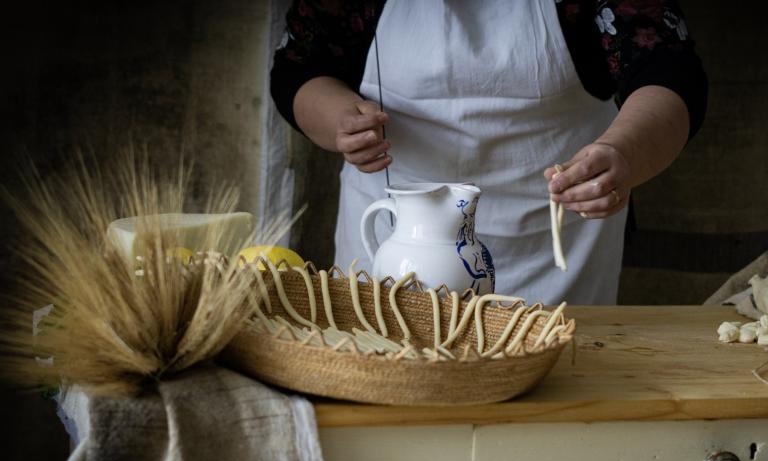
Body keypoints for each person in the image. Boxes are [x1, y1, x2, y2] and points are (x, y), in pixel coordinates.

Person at [271, 0, 707, 305]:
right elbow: (301, 67)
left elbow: (669, 71)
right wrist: (339, 119)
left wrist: (623, 154)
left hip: (551, 253)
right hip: (392, 241)